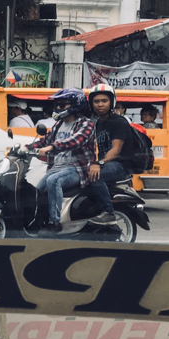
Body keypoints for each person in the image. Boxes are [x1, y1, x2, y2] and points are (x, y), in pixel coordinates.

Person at [28, 87, 112, 233]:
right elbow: (45, 140)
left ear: (75, 104)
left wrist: (51, 147)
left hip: (77, 168)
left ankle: (55, 222)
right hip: (56, 167)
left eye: (63, 104)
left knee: (53, 181)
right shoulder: (59, 124)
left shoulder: (86, 124)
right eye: (58, 104)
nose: (59, 107)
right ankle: (37, 221)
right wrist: (25, 147)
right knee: (36, 190)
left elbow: (74, 141)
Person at [86, 84, 137, 216]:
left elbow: (116, 150)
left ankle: (108, 213)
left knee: (95, 177)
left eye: (104, 101)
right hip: (107, 163)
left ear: (112, 102)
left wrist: (98, 164)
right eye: (96, 101)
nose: (100, 104)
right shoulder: (97, 123)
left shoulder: (118, 122)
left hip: (120, 165)